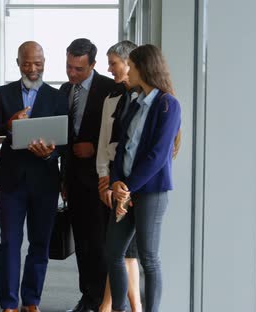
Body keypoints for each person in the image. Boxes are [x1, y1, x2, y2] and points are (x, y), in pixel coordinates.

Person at [0, 41, 68, 312]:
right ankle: (9, 303)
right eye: (27, 63)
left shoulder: (57, 97)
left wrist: (49, 154)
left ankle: (31, 301)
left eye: (38, 63)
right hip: (11, 180)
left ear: (45, 61)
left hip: (45, 181)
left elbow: (64, 142)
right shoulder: (2, 94)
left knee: (40, 243)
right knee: (9, 242)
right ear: (18, 62)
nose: (33, 68)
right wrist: (10, 125)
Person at [107, 44, 181, 312]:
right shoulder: (136, 102)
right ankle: (119, 308)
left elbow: (159, 155)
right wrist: (117, 181)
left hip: (150, 191)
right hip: (125, 188)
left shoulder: (167, 105)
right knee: (113, 253)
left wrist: (128, 186)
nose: (128, 70)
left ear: (143, 68)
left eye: (132, 66)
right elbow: (122, 146)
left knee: (149, 258)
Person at [60, 38, 116, 312]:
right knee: (81, 242)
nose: (72, 74)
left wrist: (94, 147)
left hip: (100, 178)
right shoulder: (64, 89)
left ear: (92, 65)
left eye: (78, 69)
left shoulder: (109, 89)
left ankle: (102, 299)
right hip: (74, 179)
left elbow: (118, 133)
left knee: (99, 242)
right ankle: (87, 296)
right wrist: (63, 180)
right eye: (69, 66)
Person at [95, 41, 142, 312]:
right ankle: (127, 306)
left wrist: (124, 184)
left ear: (129, 63)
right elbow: (104, 143)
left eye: (113, 63)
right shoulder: (111, 99)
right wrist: (103, 179)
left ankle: (113, 305)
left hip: (131, 182)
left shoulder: (143, 100)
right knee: (121, 250)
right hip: (112, 179)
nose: (109, 68)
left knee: (125, 251)